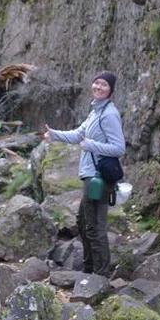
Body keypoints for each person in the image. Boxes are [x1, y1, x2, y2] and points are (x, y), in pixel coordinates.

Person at [43, 71, 125, 276]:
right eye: (96, 83)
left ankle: (100, 275)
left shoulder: (109, 114)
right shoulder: (95, 112)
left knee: (94, 226)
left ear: (111, 91)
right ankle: (89, 268)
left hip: (99, 177)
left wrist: (91, 145)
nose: (98, 87)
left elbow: (119, 148)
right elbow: (78, 135)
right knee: (83, 222)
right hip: (90, 175)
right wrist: (54, 135)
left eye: (104, 85)